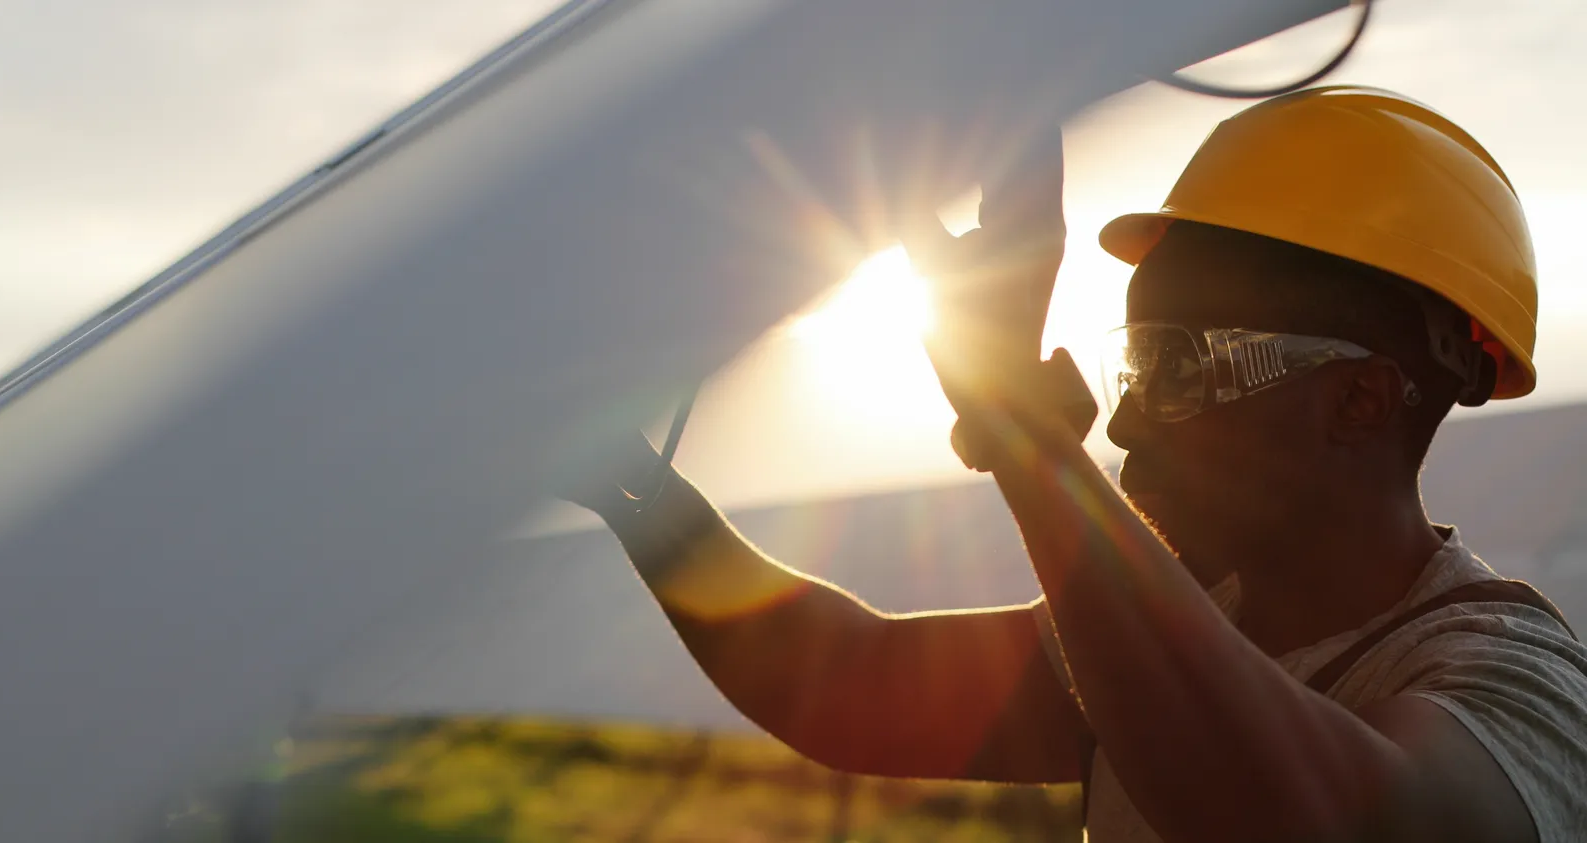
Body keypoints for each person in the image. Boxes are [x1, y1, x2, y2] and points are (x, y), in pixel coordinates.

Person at [563, 86, 1587, 842]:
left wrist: (1025, 434)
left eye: (1178, 368)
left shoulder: (1517, 685)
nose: (1127, 423)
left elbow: (1316, 821)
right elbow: (852, 686)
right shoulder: (1184, 619)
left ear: (1355, 400)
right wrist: (643, 500)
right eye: (1135, 363)